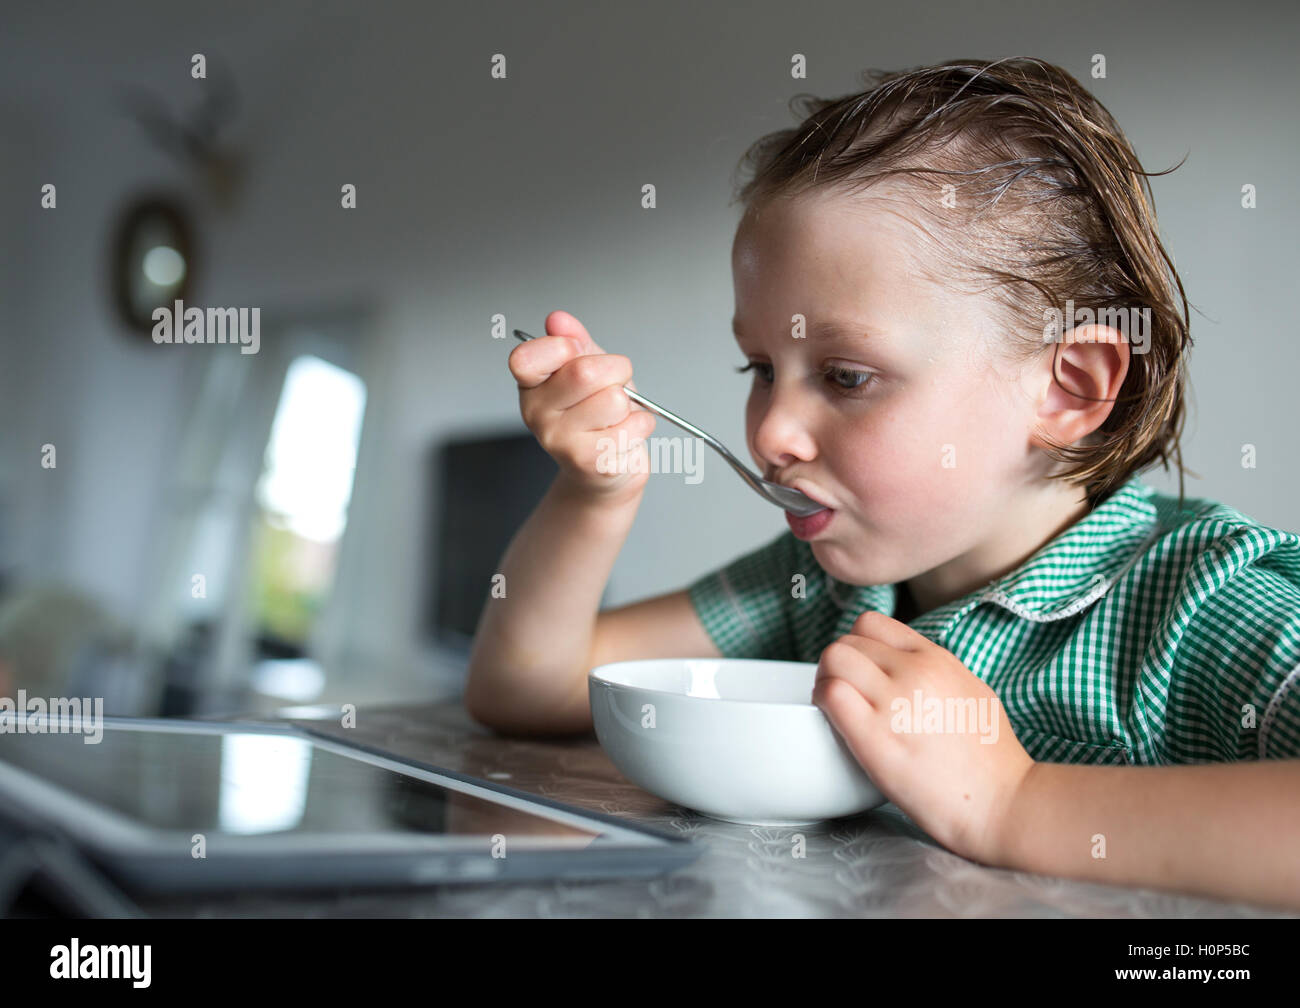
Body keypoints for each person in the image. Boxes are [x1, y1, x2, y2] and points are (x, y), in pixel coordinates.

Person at [466, 57, 1300, 909]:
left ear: (1069, 387)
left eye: (846, 375)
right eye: (760, 366)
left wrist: (1014, 802)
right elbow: (528, 689)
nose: (770, 433)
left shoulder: (1203, 611)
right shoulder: (816, 592)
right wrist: (592, 495)